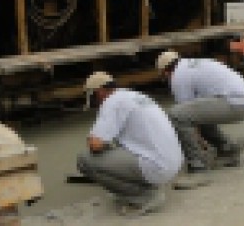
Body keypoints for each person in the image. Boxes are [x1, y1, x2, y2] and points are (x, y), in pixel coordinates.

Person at [76, 72, 183, 216]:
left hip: (157, 166)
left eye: (93, 97)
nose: (96, 102)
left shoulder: (111, 102)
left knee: (84, 160)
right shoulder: (134, 95)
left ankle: (144, 196)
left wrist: (93, 138)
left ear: (100, 92)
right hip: (173, 162)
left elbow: (95, 145)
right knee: (117, 148)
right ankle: (145, 185)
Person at [156, 51, 244, 173]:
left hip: (237, 102)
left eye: (164, 77)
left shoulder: (179, 76)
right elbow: (195, 113)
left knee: (175, 115)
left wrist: (198, 142)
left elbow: (184, 116)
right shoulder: (192, 65)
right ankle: (227, 150)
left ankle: (197, 164)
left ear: (166, 72)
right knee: (192, 113)